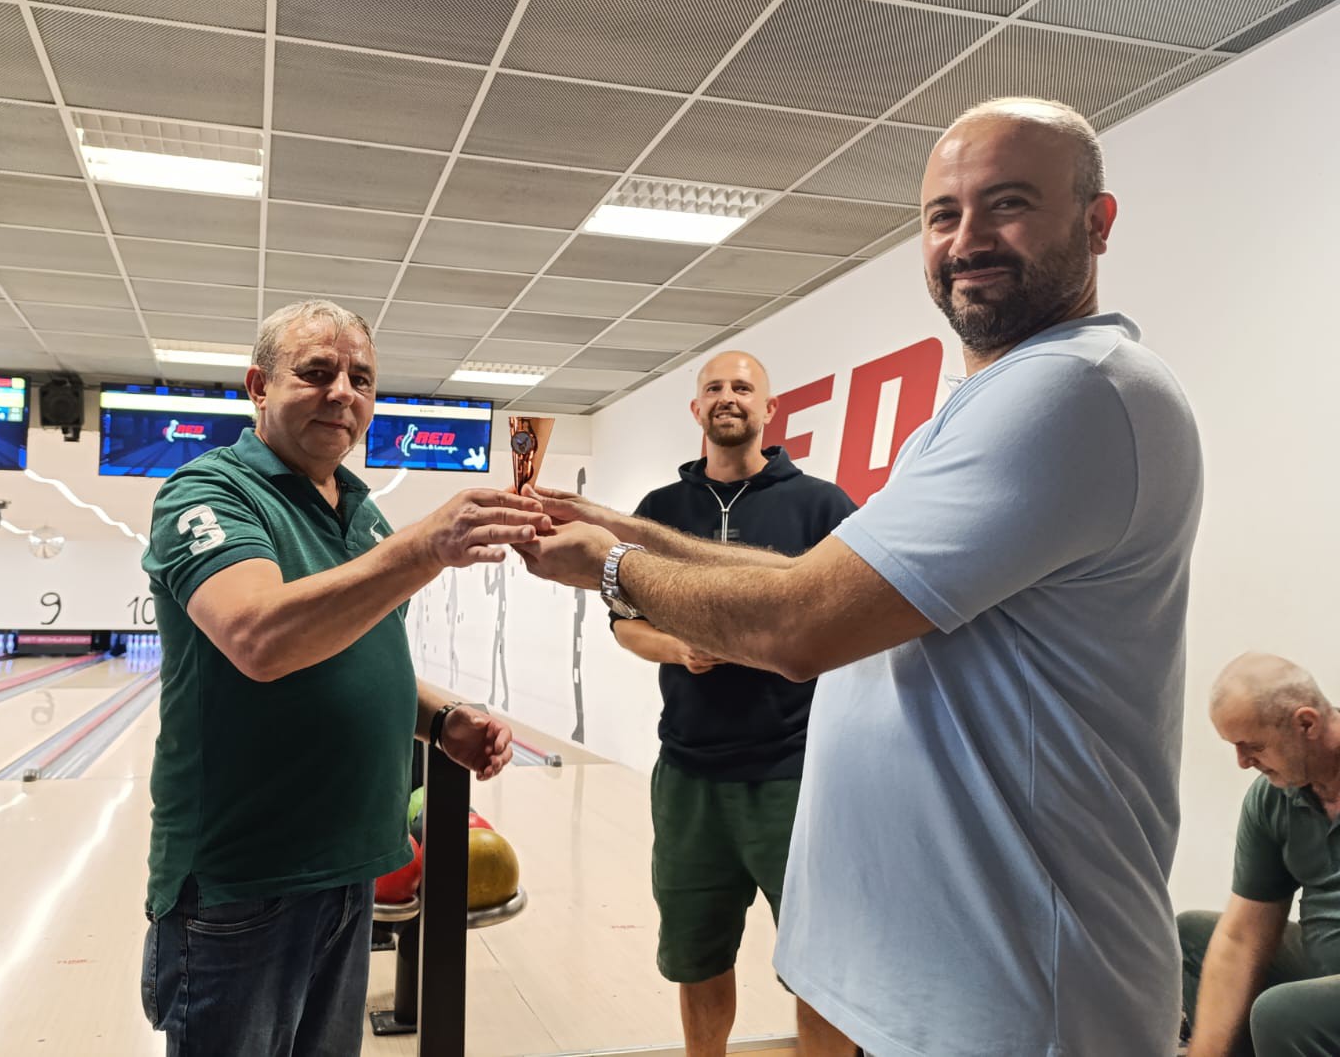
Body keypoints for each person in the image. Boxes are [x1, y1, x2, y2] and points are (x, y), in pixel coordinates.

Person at [517, 97, 1205, 1056]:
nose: (967, 238)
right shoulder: (972, 412)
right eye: (942, 214)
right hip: (944, 987)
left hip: (1021, 1005)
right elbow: (825, 580)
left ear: (1097, 222)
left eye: (1007, 204)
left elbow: (803, 622)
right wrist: (620, 524)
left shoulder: (1076, 388)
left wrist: (614, 567)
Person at [138, 298, 546, 1056]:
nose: (344, 393)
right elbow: (258, 637)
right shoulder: (209, 493)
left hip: (353, 866)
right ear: (259, 387)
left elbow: (362, 654)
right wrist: (424, 548)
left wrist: (442, 716)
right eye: (317, 372)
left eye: (362, 378)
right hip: (245, 881)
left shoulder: (359, 510)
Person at [611, 349, 855, 1056]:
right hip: (688, 777)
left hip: (794, 776)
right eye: (714, 387)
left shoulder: (821, 506)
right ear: (696, 410)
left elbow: (854, 617)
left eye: (743, 387)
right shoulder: (660, 513)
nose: (728, 397)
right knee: (698, 957)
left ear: (769, 410)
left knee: (820, 965)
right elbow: (625, 623)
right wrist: (678, 649)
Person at [1178, 652, 1340, 1057]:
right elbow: (1242, 935)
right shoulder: (1274, 797)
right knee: (1195, 936)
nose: (1242, 762)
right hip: (1325, 972)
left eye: (1253, 746)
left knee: (1281, 1012)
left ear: (1306, 723)